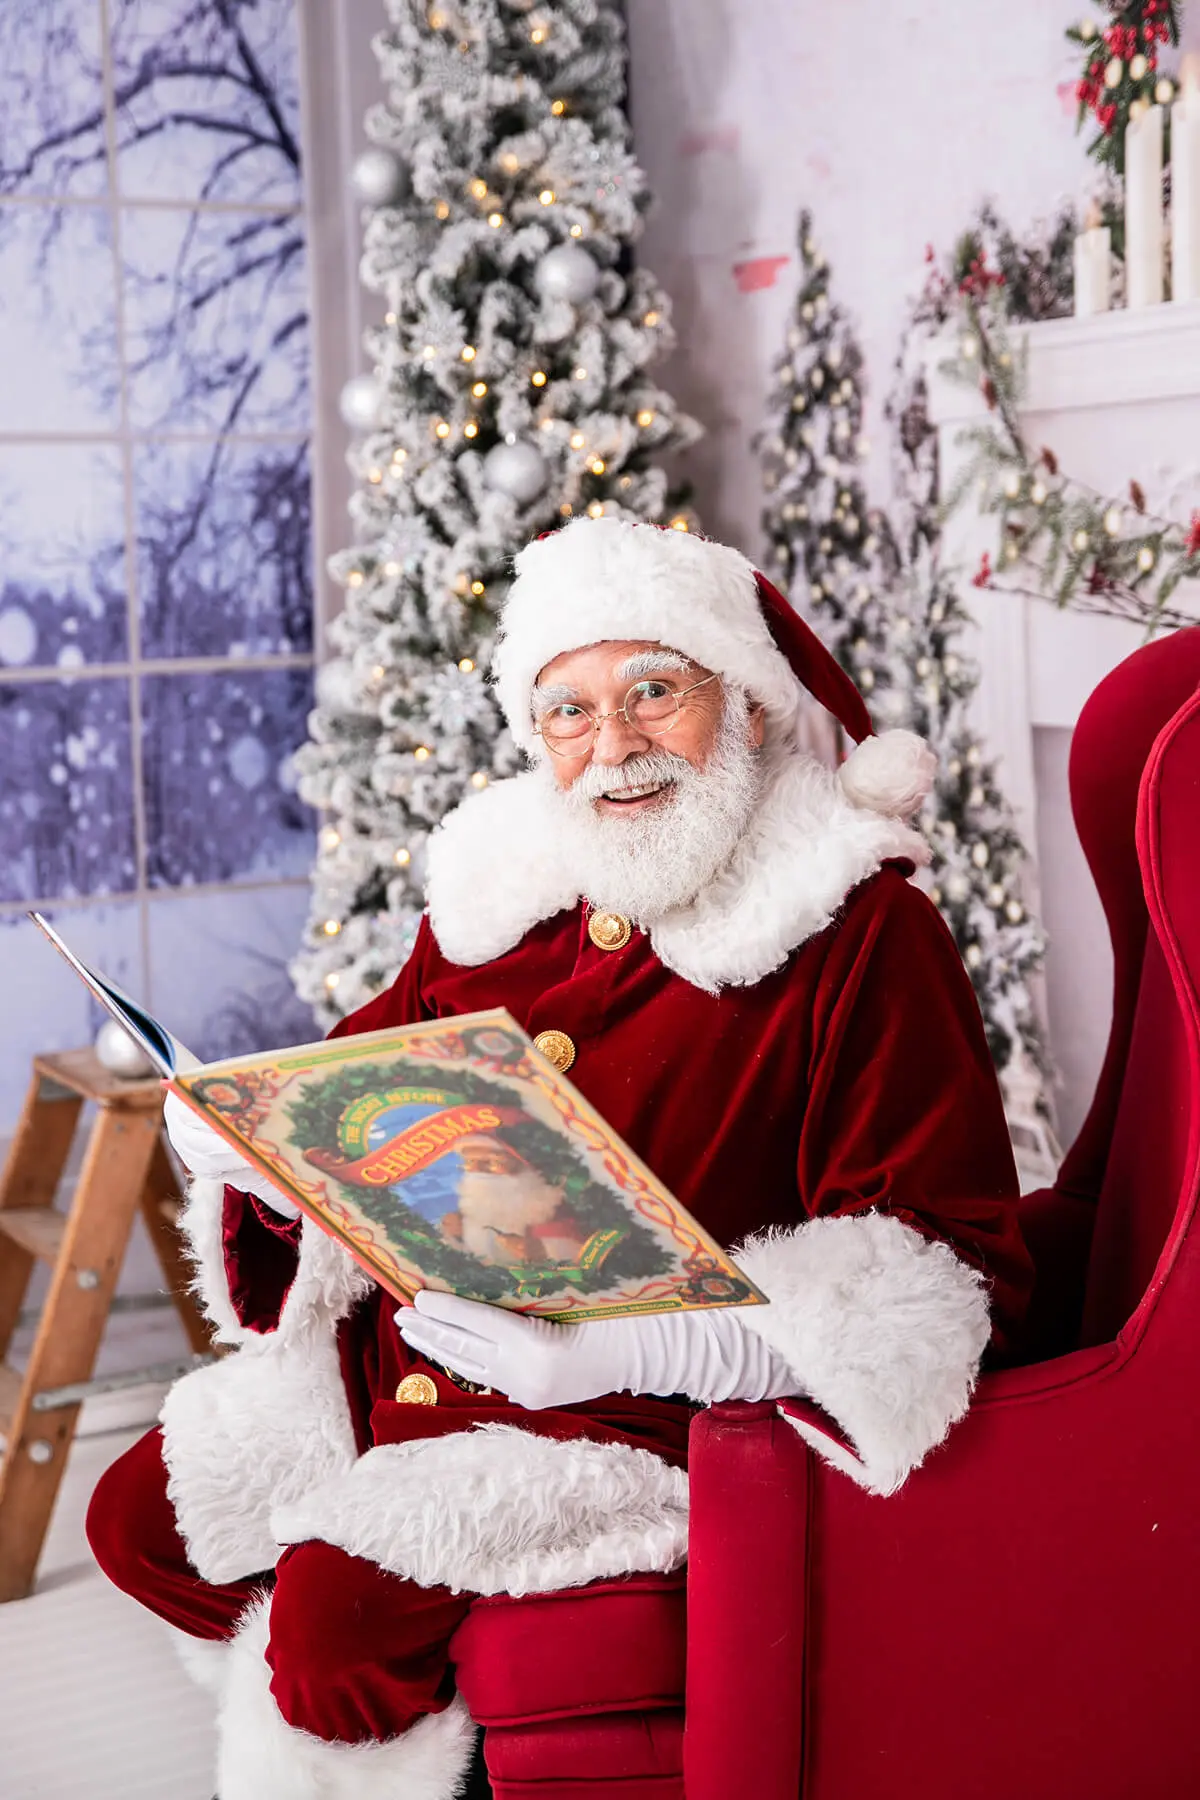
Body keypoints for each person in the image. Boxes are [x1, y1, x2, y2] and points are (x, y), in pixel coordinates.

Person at [86, 517, 1032, 1800]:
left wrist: (635, 1347)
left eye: (654, 691)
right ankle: (445, 1720)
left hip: (621, 1419)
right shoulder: (504, 893)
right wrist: (249, 1141)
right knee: (140, 1524)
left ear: (744, 707)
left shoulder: (862, 930)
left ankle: (432, 1752)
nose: (616, 748)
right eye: (570, 713)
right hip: (406, 1363)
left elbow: (932, 1270)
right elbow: (356, 1084)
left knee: (336, 1628)